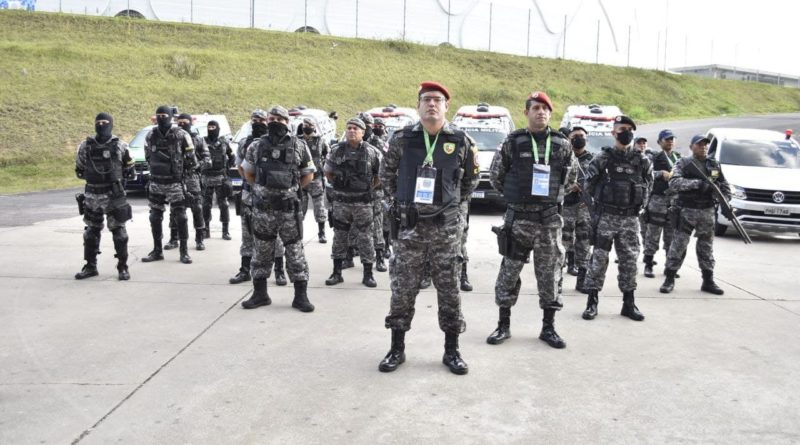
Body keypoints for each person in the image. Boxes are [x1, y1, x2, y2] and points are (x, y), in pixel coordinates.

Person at [378, 81, 479, 375]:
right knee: (402, 289)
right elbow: (386, 175)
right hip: (410, 230)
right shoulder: (402, 139)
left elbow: (470, 181)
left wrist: (452, 208)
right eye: (426, 100)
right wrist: (401, 205)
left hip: (446, 231)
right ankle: (396, 348)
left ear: (447, 106)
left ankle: (452, 350)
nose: (431, 104)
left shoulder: (461, 141)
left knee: (449, 290)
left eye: (437, 100)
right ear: (418, 105)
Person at [486, 91, 577, 349]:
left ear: (551, 113)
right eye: (536, 108)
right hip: (518, 221)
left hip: (548, 222)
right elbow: (496, 176)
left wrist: (548, 197)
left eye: (545, 108)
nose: (541, 112)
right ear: (526, 113)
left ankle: (548, 328)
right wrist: (517, 195)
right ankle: (503, 325)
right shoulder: (512, 142)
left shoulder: (562, 144)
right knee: (509, 273)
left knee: (550, 275)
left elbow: (571, 180)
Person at [240, 106, 315, 312]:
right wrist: (263, 190)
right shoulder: (256, 146)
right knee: (262, 251)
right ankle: (260, 294)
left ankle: (300, 296)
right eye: (271, 118)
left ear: (287, 122)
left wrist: (290, 190)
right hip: (264, 210)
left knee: (295, 252)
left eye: (280, 119)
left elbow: (308, 174)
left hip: (289, 211)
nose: (275, 122)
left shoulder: (299, 145)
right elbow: (248, 173)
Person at [581, 115, 653, 321]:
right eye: (622, 129)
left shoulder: (642, 160)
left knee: (630, 261)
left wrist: (639, 208)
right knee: (599, 260)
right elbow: (588, 185)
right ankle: (592, 302)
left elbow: (649, 185)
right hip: (606, 217)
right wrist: (598, 208)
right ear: (613, 133)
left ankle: (629, 304)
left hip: (630, 220)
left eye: (630, 129)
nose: (626, 132)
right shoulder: (602, 159)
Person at [659, 135, 729, 295]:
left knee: (706, 247)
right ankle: (669, 278)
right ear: (691, 147)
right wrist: (698, 184)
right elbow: (674, 182)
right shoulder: (684, 163)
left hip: (707, 211)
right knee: (678, 245)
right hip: (687, 210)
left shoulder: (713, 165)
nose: (703, 147)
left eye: (705, 145)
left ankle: (708, 280)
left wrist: (726, 200)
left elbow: (724, 185)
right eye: (699, 145)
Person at [74, 112, 135, 281]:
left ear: (111, 124)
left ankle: (123, 267)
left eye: (105, 122)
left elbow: (130, 171)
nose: (101, 125)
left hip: (114, 195)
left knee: (119, 233)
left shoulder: (121, 146)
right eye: (98, 122)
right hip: (92, 195)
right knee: (90, 233)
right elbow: (79, 169)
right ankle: (90, 266)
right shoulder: (85, 146)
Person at [230, 110, 287, 286]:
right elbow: (241, 167)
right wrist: (254, 185)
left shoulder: (278, 144)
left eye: (262, 120)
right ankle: (245, 270)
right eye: (255, 120)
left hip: (272, 198)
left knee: (275, 235)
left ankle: (279, 270)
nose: (258, 123)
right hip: (249, 195)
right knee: (247, 234)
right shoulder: (246, 143)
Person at [324, 117, 382, 288]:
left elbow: (379, 176)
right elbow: (328, 172)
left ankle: (368, 274)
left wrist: (367, 188)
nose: (351, 131)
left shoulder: (372, 152)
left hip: (363, 203)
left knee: (366, 238)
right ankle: (336, 273)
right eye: (349, 127)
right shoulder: (336, 150)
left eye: (355, 128)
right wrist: (340, 186)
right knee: (340, 236)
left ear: (363, 132)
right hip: (342, 202)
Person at [142, 105, 196, 264]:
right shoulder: (151, 135)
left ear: (171, 117)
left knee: (180, 216)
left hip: (175, 182)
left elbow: (191, 158)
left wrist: (183, 176)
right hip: (157, 181)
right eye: (158, 115)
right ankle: (157, 250)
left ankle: (184, 251)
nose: (161, 118)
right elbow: (147, 156)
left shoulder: (181, 134)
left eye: (164, 115)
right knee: (154, 216)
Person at [643, 129, 681, 278]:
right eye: (666, 139)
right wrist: (660, 174)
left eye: (672, 139)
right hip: (657, 200)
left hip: (674, 201)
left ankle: (669, 266)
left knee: (671, 235)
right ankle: (648, 264)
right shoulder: (654, 157)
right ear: (659, 142)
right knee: (653, 234)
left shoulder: (679, 158)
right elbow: (645, 173)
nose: (670, 141)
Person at [561, 126, 594, 293]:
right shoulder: (563, 157)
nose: (579, 138)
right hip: (565, 206)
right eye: (575, 136)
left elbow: (599, 182)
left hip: (584, 208)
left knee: (584, 243)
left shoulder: (594, 159)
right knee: (562, 242)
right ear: (569, 139)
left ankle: (582, 280)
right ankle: (557, 281)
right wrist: (569, 186)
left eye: (582, 136)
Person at [176, 113, 210, 251]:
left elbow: (208, 160)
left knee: (197, 208)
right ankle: (174, 238)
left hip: (192, 177)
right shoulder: (173, 138)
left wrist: (196, 166)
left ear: (191, 123)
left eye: (185, 122)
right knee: (176, 209)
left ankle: (199, 238)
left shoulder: (199, 139)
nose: (182, 124)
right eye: (179, 122)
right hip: (177, 177)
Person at [201, 120, 235, 240]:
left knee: (224, 205)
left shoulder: (224, 142)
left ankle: (225, 231)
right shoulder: (202, 141)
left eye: (213, 127)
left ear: (218, 128)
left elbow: (232, 156)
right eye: (209, 127)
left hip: (221, 177)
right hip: (206, 177)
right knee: (205, 205)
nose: (211, 129)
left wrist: (227, 168)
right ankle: (206, 229)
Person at [298, 117, 330, 244]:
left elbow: (328, 155)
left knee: (319, 207)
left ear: (314, 126)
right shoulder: (297, 140)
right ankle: (298, 234)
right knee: (300, 208)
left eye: (310, 125)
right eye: (305, 124)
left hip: (316, 178)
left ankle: (321, 233)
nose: (307, 126)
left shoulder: (320, 141)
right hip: (301, 178)